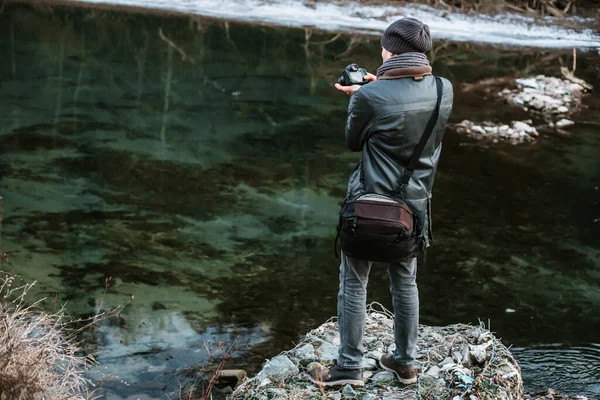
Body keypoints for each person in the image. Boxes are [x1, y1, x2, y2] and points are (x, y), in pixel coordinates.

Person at [308, 17, 453, 387]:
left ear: (390, 50)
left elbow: (354, 141)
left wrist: (361, 96)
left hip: (370, 205)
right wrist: (383, 87)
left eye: (384, 46)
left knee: (354, 281)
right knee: (405, 283)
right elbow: (410, 115)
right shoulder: (443, 89)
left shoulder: (370, 97)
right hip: (414, 209)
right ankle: (405, 363)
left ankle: (349, 367)